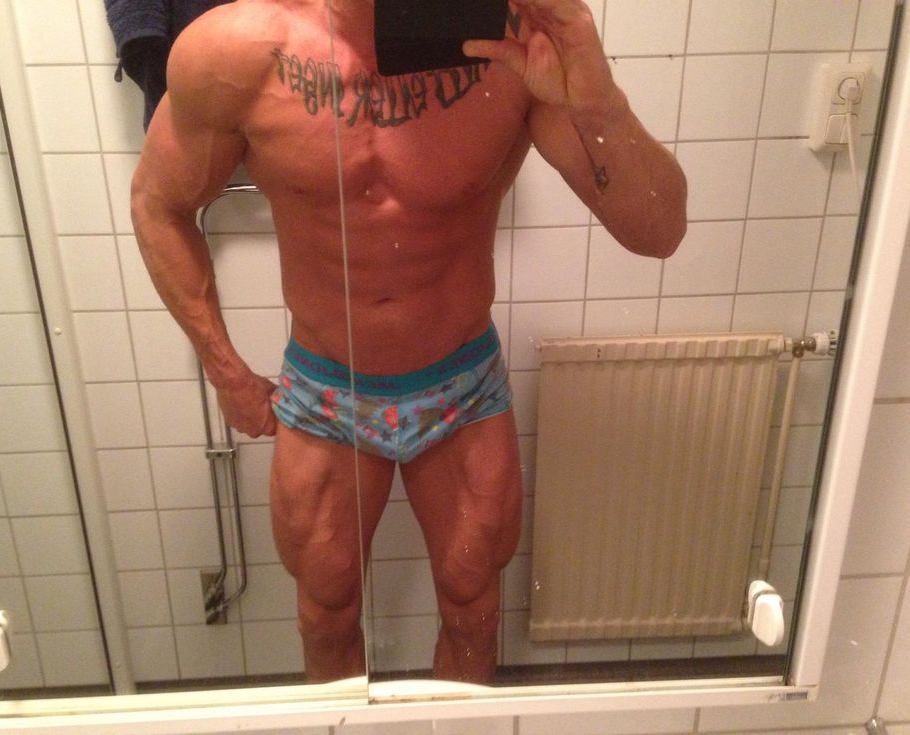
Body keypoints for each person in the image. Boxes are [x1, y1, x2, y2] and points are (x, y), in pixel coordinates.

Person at [130, 0, 687, 684]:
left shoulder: (507, 46)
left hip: (462, 386)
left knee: (473, 611)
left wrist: (597, 100)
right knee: (325, 617)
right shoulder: (235, 52)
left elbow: (659, 231)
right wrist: (226, 371)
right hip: (325, 389)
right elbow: (157, 204)